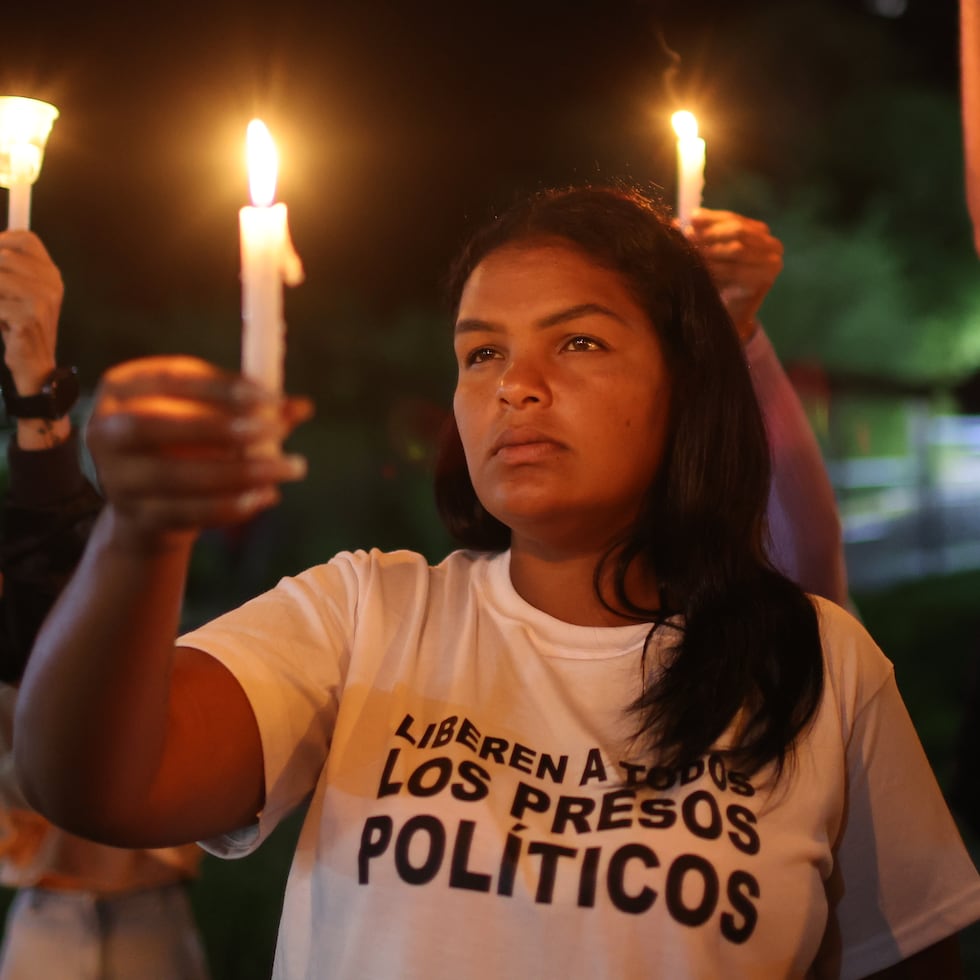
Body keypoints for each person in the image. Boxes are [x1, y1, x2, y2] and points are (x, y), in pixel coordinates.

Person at [14, 184, 978, 978]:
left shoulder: (817, 663)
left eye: (579, 342)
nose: (516, 385)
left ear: (689, 385)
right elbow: (100, 782)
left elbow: (912, 957)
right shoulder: (365, 612)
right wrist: (141, 533)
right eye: (482, 352)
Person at [0, 230, 209, 979]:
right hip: (48, 902)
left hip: (142, 895)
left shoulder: (130, 578)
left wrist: (37, 394)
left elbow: (58, 607)